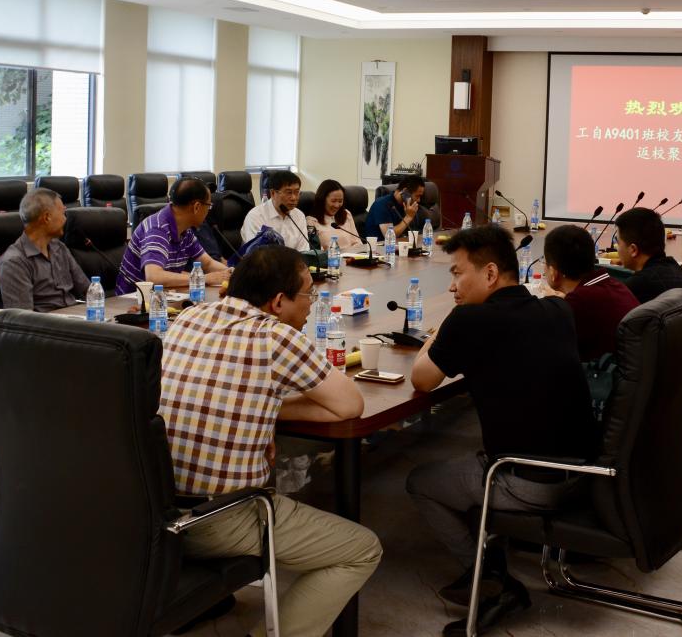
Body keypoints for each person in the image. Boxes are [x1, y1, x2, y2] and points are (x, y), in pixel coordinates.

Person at [160, 246, 381, 637]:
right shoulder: (276, 337)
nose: (312, 303)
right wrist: (269, 408)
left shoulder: (189, 317)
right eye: (309, 294)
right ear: (278, 301)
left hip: (159, 513)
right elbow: (350, 405)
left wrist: (262, 407)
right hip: (221, 518)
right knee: (362, 550)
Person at [405, 226, 598, 637]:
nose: (452, 286)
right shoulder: (558, 309)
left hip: (527, 480)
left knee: (420, 481)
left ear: (490, 273)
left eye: (458, 274)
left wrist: (439, 331)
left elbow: (421, 379)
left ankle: (490, 578)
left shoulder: (470, 320)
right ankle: (492, 557)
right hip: (584, 473)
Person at [116, 177, 230, 295]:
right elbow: (154, 277)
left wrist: (233, 274)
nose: (208, 211)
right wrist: (203, 278)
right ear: (197, 207)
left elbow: (208, 264)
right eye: (208, 206)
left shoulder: (185, 231)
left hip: (164, 297)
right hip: (133, 301)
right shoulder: (157, 229)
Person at [543, 224, 639, 362]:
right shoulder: (614, 284)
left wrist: (556, 305)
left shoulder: (577, 304)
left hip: (601, 374)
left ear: (553, 272)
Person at [0, 187, 90, 311]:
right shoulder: (14, 262)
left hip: (74, 317)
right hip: (45, 322)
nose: (65, 219)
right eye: (62, 213)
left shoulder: (59, 248)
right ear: (47, 217)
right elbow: (22, 318)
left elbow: (88, 290)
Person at [616, 207, 682, 304]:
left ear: (633, 250)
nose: (617, 248)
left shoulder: (636, 287)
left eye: (618, 243)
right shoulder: (678, 272)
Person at [240, 169, 309, 250]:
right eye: (289, 192)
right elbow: (257, 252)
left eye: (297, 192)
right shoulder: (256, 216)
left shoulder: (299, 215)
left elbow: (303, 250)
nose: (294, 198)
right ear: (273, 193)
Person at [307, 179, 362, 251]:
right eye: (333, 201)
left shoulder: (346, 214)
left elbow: (357, 242)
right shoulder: (311, 221)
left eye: (340, 201)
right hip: (330, 257)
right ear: (322, 199)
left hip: (352, 256)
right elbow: (318, 252)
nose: (337, 205)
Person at [364, 175, 425, 239]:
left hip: (401, 243)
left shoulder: (407, 205)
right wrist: (408, 217)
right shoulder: (381, 204)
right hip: (380, 244)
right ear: (405, 191)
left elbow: (416, 231)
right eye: (417, 196)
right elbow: (389, 236)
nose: (419, 200)